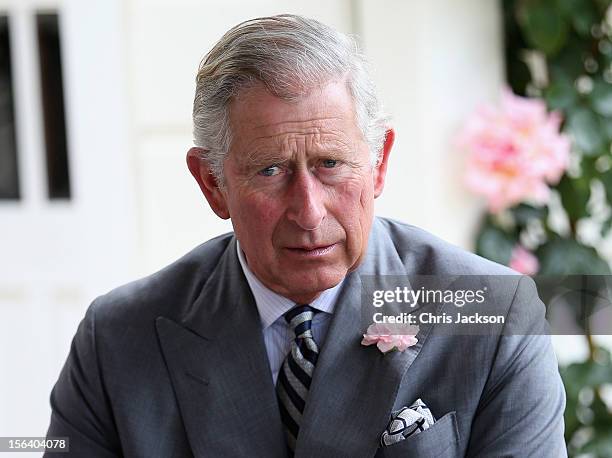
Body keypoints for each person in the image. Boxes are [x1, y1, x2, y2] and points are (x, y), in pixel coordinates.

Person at [45, 14, 566, 457]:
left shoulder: (496, 317)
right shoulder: (118, 338)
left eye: (331, 164)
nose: (309, 211)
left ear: (379, 163)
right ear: (213, 184)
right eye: (270, 171)